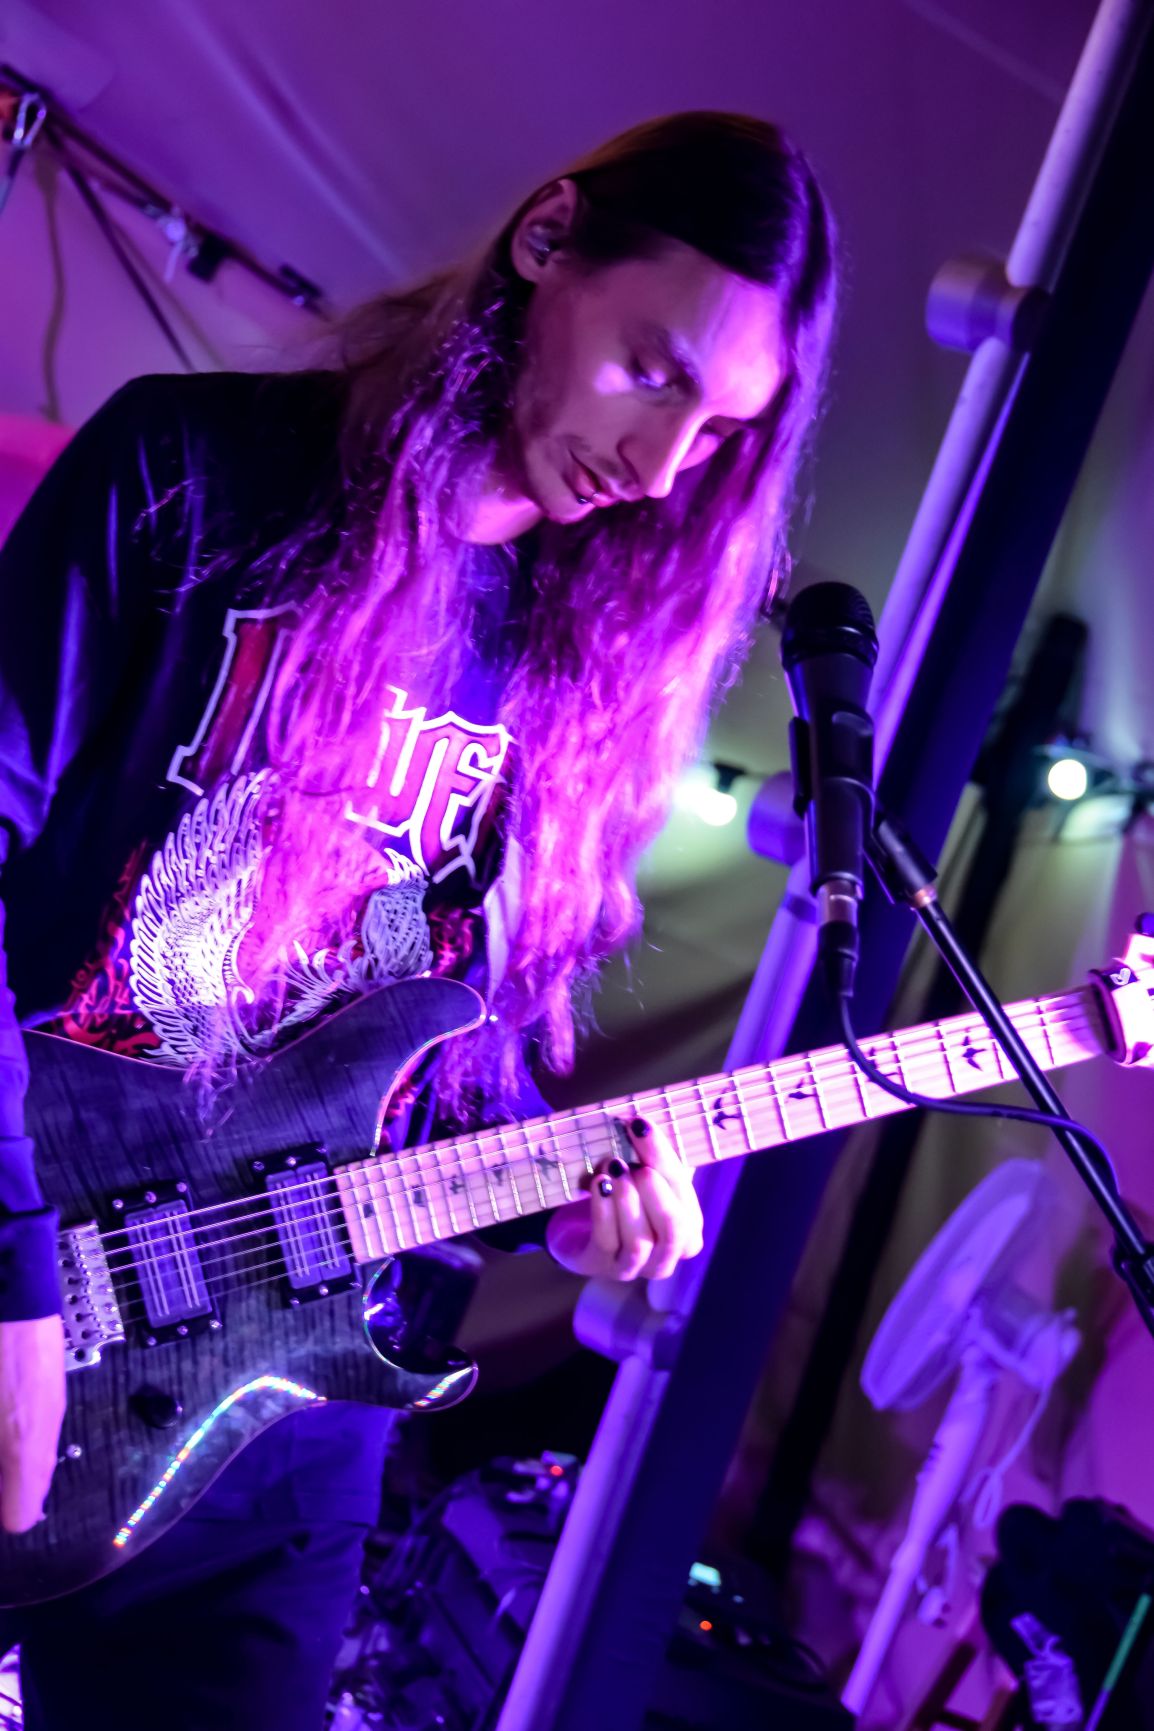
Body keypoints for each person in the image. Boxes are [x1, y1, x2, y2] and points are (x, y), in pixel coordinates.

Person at [0, 110, 837, 1727]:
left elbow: (422, 1066)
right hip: (36, 1260)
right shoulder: (189, 474)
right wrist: (14, 1281)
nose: (661, 465)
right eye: (651, 370)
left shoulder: (573, 676)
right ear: (548, 241)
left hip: (282, 1434)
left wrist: (562, 1195)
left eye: (719, 431)